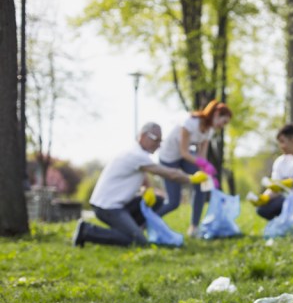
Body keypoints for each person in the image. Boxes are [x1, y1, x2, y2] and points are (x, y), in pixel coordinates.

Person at [72, 122, 208, 247]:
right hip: (107, 207)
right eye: (156, 140)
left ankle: (131, 229)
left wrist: (147, 188)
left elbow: (141, 175)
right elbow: (169, 174)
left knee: (158, 200)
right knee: (138, 241)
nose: (159, 145)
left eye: (161, 141)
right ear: (143, 136)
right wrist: (191, 179)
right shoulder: (135, 154)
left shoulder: (137, 154)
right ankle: (87, 231)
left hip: (119, 206)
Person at [156, 99, 232, 237]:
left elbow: (201, 156)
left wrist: (207, 174)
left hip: (184, 158)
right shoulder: (190, 123)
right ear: (216, 114)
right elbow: (184, 151)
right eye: (224, 121)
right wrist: (204, 164)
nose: (223, 126)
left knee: (203, 183)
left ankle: (194, 227)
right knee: (173, 202)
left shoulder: (209, 131)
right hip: (169, 158)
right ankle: (150, 220)